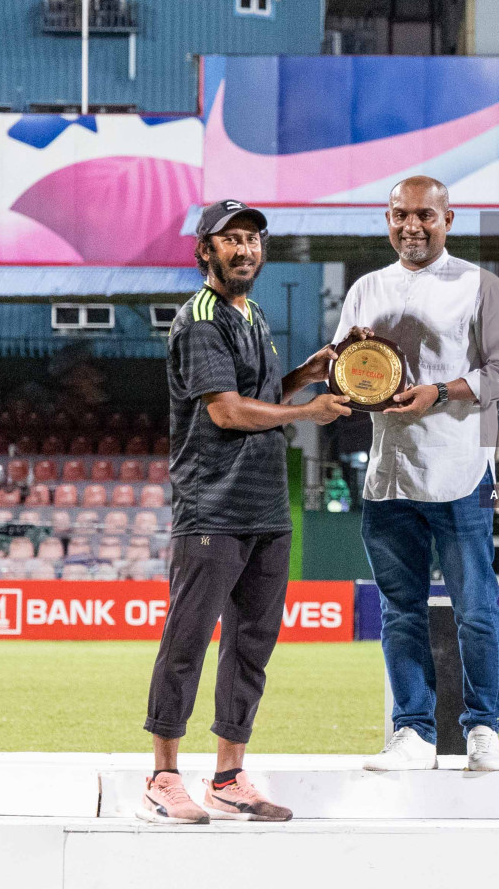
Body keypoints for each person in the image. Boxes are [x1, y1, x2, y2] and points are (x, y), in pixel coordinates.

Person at [140, 200, 352, 824]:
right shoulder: (202, 320)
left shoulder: (250, 312)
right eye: (230, 239)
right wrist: (308, 413)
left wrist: (305, 378)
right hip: (212, 507)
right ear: (204, 250)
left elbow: (259, 396)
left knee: (251, 645)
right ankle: (162, 775)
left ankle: (228, 776)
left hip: (264, 507)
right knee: (186, 642)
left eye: (253, 239)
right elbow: (227, 412)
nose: (245, 249)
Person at [337, 176, 499, 773]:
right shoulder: (366, 289)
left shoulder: (480, 284)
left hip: (460, 469)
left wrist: (440, 391)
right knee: (400, 611)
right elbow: (346, 374)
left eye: (424, 215)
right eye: (400, 216)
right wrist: (353, 365)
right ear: (386, 219)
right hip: (389, 474)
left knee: (476, 608)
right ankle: (412, 732)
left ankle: (483, 729)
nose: (411, 227)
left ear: (449, 219)